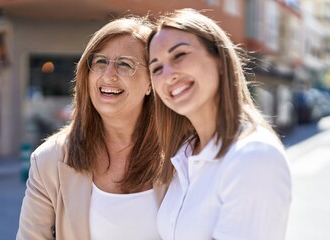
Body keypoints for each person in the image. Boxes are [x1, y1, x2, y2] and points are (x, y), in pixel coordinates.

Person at [147, 8, 292, 240]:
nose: (168, 75)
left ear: (220, 61)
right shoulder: (183, 156)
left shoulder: (253, 156)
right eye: (156, 68)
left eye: (179, 55)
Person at [17, 16, 166, 240]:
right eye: (100, 62)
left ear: (151, 82)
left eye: (125, 64)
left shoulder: (180, 154)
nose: (108, 75)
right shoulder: (50, 160)